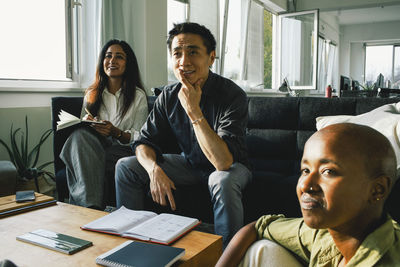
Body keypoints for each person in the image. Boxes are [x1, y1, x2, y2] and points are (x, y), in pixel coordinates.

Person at [115, 22, 252, 248]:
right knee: (125, 166)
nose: (184, 62)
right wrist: (154, 169)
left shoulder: (232, 95)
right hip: (190, 163)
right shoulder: (168, 95)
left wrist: (193, 111)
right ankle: (132, 245)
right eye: (177, 53)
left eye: (193, 52)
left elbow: (223, 161)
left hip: (233, 166)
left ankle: (228, 256)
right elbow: (143, 142)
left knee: (222, 179)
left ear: (211, 57)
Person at [216, 123, 400, 266]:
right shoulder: (326, 234)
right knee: (261, 249)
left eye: (328, 171)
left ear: (377, 190)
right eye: (305, 170)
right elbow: (259, 226)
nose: (305, 185)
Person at [60, 39, 148, 210]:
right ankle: (92, 207)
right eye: (108, 56)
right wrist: (91, 126)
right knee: (79, 136)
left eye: (119, 57)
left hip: (122, 151)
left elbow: (141, 136)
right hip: (94, 145)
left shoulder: (138, 96)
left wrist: (116, 132)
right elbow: (83, 125)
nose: (112, 61)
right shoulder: (92, 94)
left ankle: (87, 208)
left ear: (128, 63)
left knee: (79, 155)